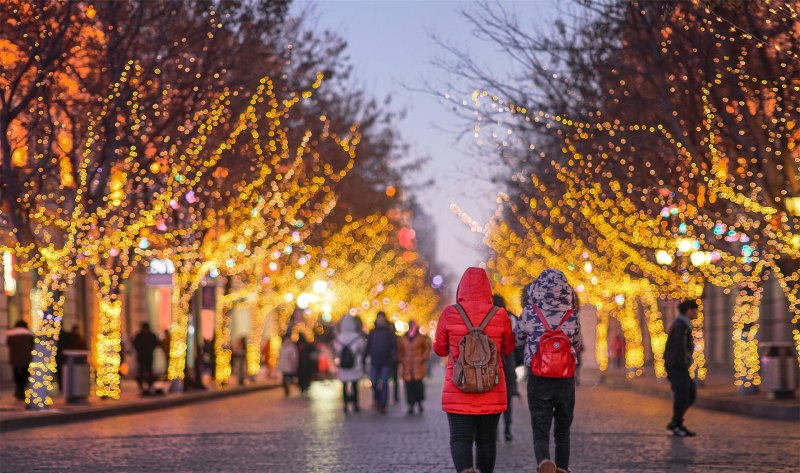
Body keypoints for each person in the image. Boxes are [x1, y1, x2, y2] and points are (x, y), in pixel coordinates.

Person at [434, 267, 514, 473]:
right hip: (491, 387)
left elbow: (440, 349)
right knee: (487, 441)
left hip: (459, 388)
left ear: (461, 289)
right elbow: (508, 348)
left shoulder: (450, 314)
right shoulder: (500, 314)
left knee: (460, 438)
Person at [515, 269, 581, 473]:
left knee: (540, 426)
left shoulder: (530, 312)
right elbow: (577, 343)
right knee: (563, 429)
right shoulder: (572, 315)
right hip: (565, 377)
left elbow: (517, 337)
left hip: (538, 376)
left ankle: (544, 461)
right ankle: (562, 467)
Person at [663, 299, 699, 437]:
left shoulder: (682, 324)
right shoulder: (681, 326)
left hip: (678, 366)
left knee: (689, 394)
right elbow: (680, 347)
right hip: (677, 366)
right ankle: (677, 425)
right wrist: (683, 363)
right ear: (689, 310)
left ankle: (676, 422)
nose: (696, 313)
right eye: (695, 310)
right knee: (683, 395)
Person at [493, 294, 519, 442]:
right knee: (507, 400)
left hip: (492, 362)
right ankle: (507, 429)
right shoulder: (511, 318)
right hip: (508, 361)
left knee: (493, 399)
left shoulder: (488, 317)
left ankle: (494, 429)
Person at [364, 311, 397, 413]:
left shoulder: (389, 332)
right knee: (373, 383)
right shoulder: (372, 332)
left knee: (384, 384)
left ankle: (383, 404)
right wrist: (364, 358)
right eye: (379, 318)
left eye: (382, 319)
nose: (380, 320)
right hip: (374, 362)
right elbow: (368, 347)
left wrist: (392, 359)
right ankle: (377, 400)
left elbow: (393, 347)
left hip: (385, 362)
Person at [334, 314, 366, 413]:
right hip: (355, 364)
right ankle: (355, 404)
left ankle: (345, 405)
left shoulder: (339, 337)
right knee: (355, 384)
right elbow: (362, 349)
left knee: (344, 385)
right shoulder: (357, 337)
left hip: (343, 365)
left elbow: (336, 349)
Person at [398, 320, 431, 415]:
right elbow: (399, 350)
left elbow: (427, 349)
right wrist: (402, 359)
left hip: (418, 366)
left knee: (418, 386)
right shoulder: (403, 338)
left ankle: (420, 403)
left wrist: (422, 358)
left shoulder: (421, 338)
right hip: (407, 367)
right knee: (409, 387)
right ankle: (410, 405)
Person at [6, 320, 34, 401]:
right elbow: (33, 345)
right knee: (25, 376)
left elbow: (8, 344)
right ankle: (22, 392)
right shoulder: (29, 335)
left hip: (15, 359)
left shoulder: (11, 335)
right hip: (26, 359)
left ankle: (18, 391)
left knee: (17, 376)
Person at [133, 322, 160, 396]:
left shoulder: (151, 336)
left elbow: (155, 343)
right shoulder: (139, 336)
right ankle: (142, 387)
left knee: (149, 371)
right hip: (142, 356)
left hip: (148, 356)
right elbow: (135, 344)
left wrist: (150, 350)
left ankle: (150, 386)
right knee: (141, 371)